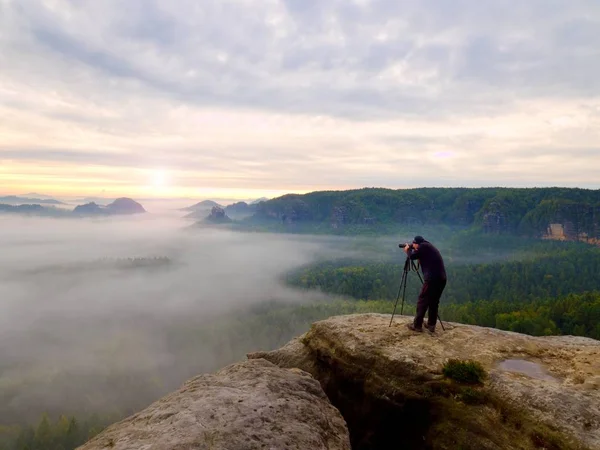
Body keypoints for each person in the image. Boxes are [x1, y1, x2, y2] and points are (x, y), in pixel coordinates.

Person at [403, 235, 447, 333]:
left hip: (432, 279)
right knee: (433, 302)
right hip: (441, 278)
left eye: (413, 244)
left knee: (422, 300)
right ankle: (431, 325)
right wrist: (412, 248)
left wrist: (407, 250)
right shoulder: (427, 246)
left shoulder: (422, 247)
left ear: (416, 244)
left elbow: (412, 256)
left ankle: (417, 325)